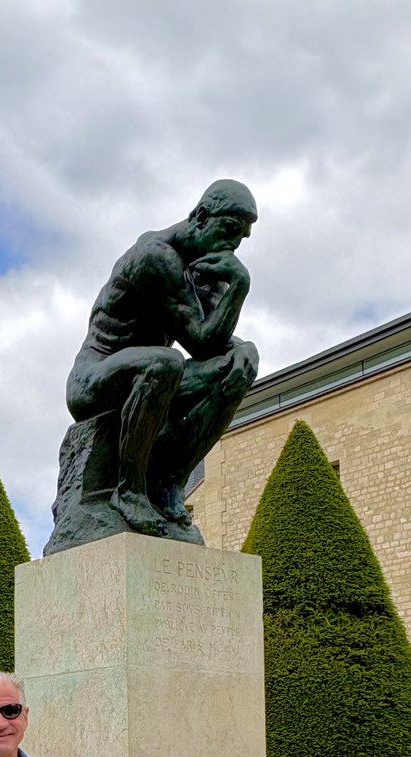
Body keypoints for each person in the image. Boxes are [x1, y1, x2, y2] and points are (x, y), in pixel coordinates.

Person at [65, 178, 260, 538]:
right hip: (94, 381)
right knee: (166, 361)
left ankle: (171, 483)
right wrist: (240, 286)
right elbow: (201, 341)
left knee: (240, 365)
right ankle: (129, 492)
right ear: (201, 217)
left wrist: (243, 349)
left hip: (153, 378)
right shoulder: (155, 255)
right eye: (229, 230)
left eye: (241, 238)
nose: (233, 244)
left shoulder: (211, 267)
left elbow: (212, 340)